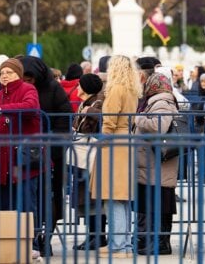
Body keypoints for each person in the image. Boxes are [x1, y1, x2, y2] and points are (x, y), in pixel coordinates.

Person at [20, 55, 73, 257]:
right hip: (26, 156)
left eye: (30, 78)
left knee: (51, 200)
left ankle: (46, 238)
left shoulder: (53, 89)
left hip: (52, 155)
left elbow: (64, 121)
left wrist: (50, 144)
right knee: (30, 199)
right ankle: (31, 240)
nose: (27, 82)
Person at [0, 58, 42, 260]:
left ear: (18, 74)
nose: (4, 76)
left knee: (27, 205)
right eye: (1, 73)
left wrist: (4, 110)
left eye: (9, 72)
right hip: (2, 159)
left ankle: (32, 245)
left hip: (24, 160)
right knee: (5, 206)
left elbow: (31, 107)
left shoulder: (28, 89)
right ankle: (8, 246)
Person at [91, 55, 140, 258]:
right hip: (127, 140)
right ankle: (124, 244)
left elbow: (109, 118)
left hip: (114, 143)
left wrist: (103, 138)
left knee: (113, 196)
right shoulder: (132, 90)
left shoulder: (116, 89)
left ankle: (117, 245)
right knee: (123, 196)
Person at [133, 73, 180, 255]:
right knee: (157, 202)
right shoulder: (158, 101)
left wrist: (136, 119)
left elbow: (159, 125)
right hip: (154, 162)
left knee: (160, 203)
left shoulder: (161, 102)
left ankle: (161, 243)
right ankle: (156, 242)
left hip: (158, 162)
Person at [70, 73, 107, 251]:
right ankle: (93, 235)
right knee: (87, 199)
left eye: (79, 85)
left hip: (90, 157)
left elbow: (104, 116)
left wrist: (89, 112)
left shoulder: (96, 103)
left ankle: (98, 236)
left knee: (94, 198)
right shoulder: (86, 103)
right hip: (85, 156)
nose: (77, 88)